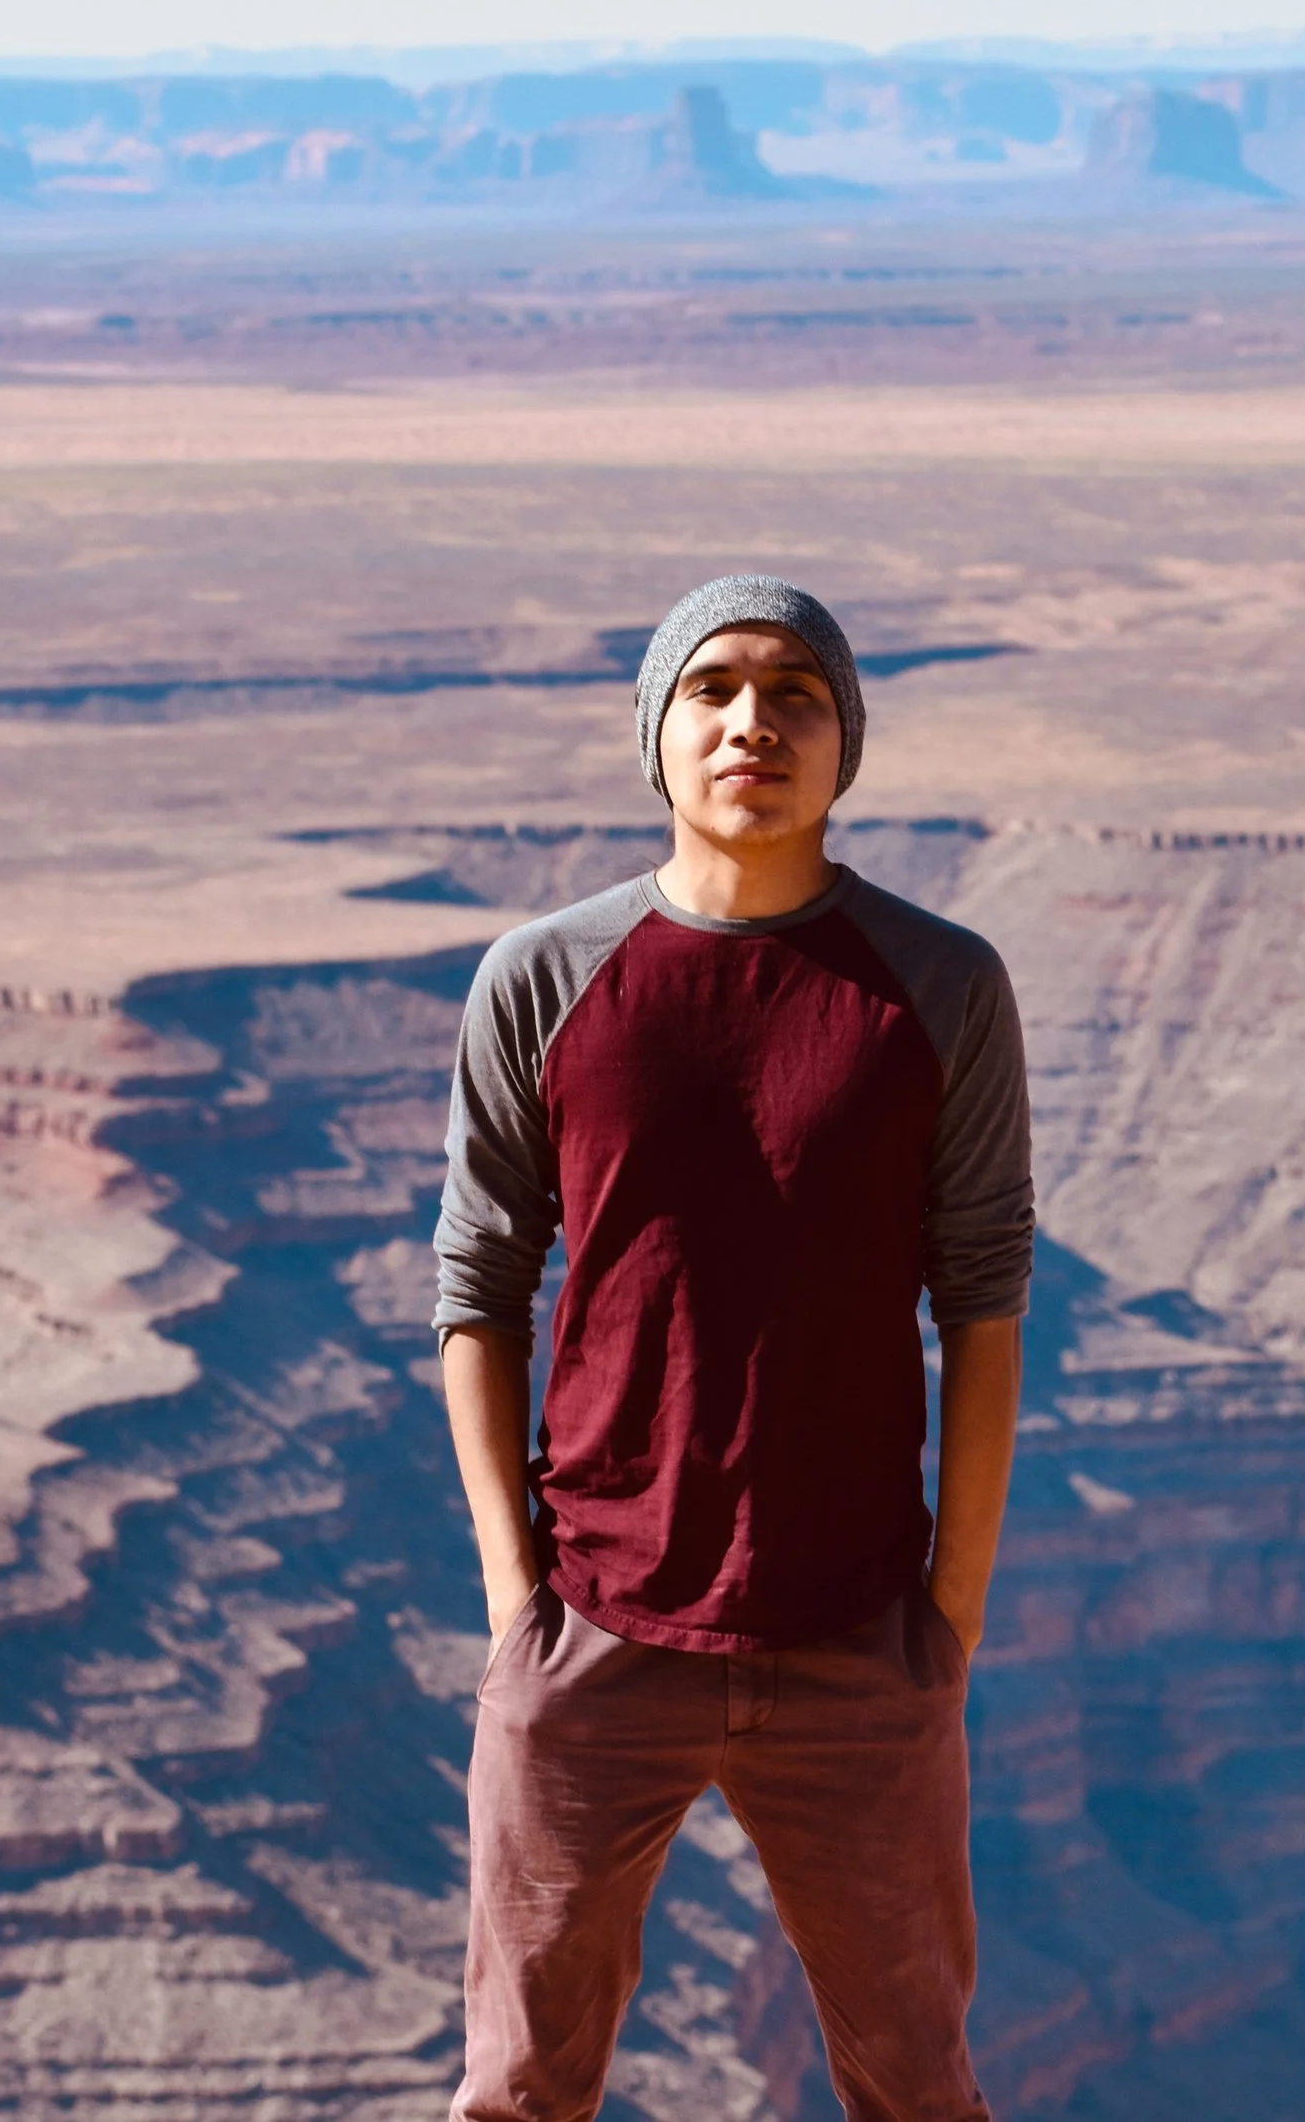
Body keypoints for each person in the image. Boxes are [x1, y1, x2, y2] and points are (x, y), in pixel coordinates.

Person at [433, 573, 1033, 2120]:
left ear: (845, 745)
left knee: (916, 2083)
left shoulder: (942, 985)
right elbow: (477, 1287)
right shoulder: (548, 978)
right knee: (519, 2086)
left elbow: (982, 1296)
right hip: (595, 1633)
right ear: (656, 734)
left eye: (795, 693)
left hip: (855, 1642)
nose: (752, 721)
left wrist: (945, 1618)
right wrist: (517, 1593)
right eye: (710, 689)